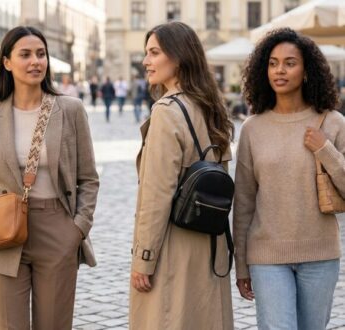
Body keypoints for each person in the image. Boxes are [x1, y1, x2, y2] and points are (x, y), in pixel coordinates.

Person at [0, 26, 99, 330]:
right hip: (1, 234)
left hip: (57, 229)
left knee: (54, 324)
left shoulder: (70, 110)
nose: (35, 61)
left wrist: (76, 229)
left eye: (41, 54)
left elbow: (89, 179)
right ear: (7, 63)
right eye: (25, 55)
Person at [233, 28, 345, 330]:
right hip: (267, 257)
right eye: (272, 63)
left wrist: (324, 149)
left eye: (289, 63)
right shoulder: (253, 129)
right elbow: (243, 202)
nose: (279, 70)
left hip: (320, 256)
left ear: (307, 70)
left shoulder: (333, 123)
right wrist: (241, 264)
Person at [129, 22, 234, 330]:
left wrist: (143, 259)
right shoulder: (212, 106)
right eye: (146, 53)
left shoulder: (166, 111)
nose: (146, 61)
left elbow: (156, 194)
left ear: (178, 57)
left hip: (174, 248)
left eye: (154, 53)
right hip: (210, 246)